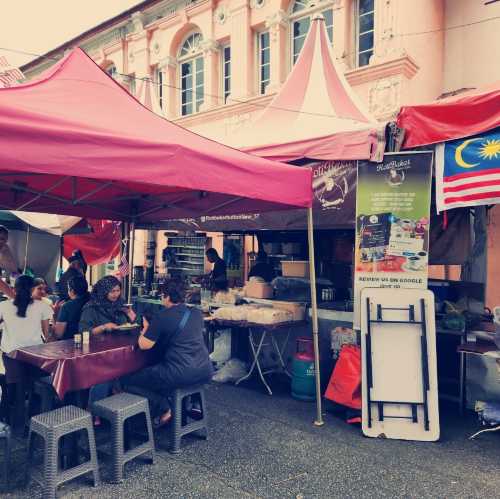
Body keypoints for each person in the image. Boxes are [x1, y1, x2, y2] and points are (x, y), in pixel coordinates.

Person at [121, 277, 213, 428]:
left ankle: (166, 407)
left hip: (180, 372)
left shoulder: (162, 316)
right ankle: (172, 406)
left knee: (126, 380)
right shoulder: (196, 313)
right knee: (157, 377)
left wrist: (144, 329)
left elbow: (144, 345)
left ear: (167, 296)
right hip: (205, 370)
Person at [0, 275, 52, 356]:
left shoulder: (3, 305)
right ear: (32, 289)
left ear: (14, 289)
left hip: (10, 353)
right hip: (35, 353)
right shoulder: (43, 306)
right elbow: (46, 334)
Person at [54, 275, 90, 340]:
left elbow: (58, 334)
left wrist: (56, 312)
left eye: (68, 289)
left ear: (72, 291)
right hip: (89, 340)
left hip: (70, 344)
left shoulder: (67, 306)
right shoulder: (93, 301)